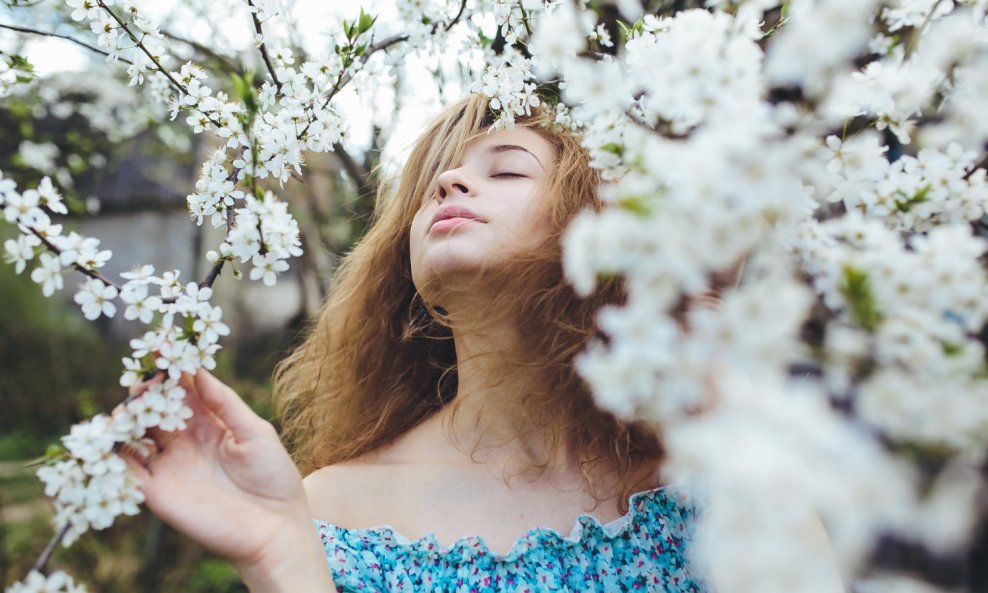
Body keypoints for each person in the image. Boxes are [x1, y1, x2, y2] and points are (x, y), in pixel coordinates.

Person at [124, 94, 708, 593]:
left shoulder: (696, 474)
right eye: (433, 187)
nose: (448, 182)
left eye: (506, 171)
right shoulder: (329, 509)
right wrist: (279, 557)